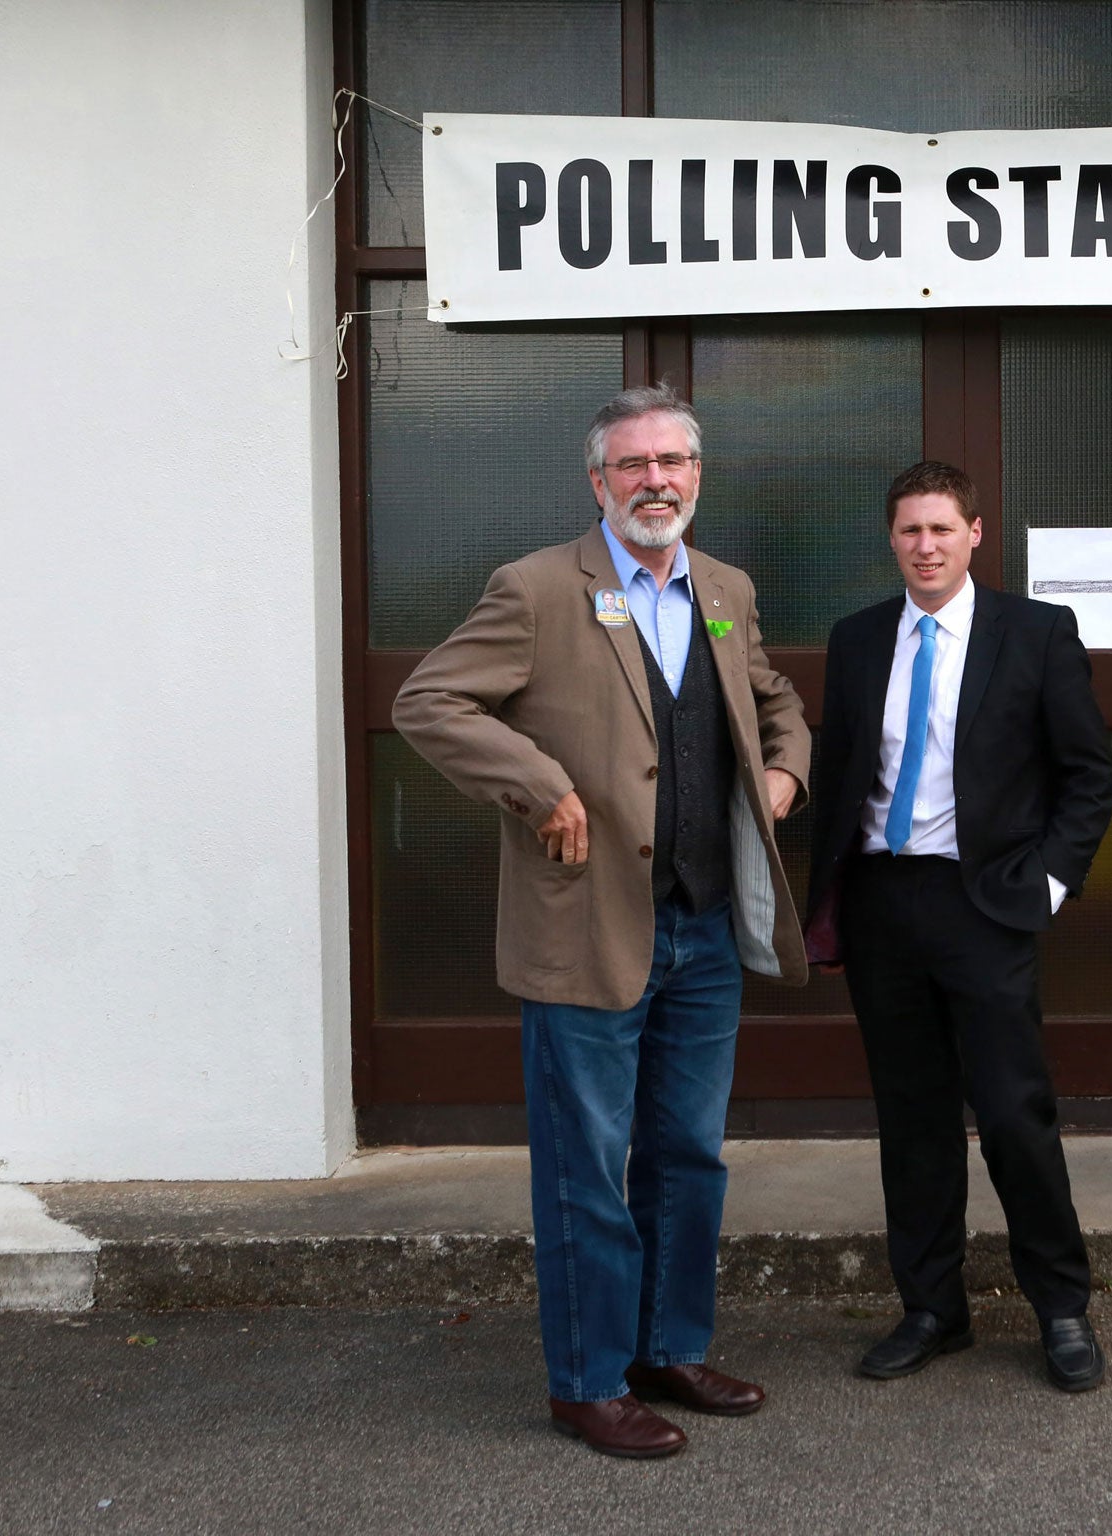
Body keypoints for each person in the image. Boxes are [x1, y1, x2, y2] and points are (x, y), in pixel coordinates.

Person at [394, 384, 809, 1458]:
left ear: (696, 476)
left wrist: (783, 772)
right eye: (632, 465)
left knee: (685, 1156)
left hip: (703, 925)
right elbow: (429, 700)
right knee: (587, 1165)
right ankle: (584, 1382)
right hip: (584, 927)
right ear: (597, 483)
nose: (654, 481)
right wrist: (540, 785)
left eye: (671, 462)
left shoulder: (722, 588)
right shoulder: (536, 588)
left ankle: (665, 1350)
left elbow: (772, 700)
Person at [807, 460, 1112, 1392]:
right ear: (892, 539)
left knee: (1016, 1116)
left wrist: (1049, 885)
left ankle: (1061, 1309)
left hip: (986, 905)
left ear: (975, 533)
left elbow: (1089, 775)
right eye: (910, 531)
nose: (926, 546)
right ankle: (934, 1310)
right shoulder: (858, 640)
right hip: (883, 906)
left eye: (942, 528)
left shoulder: (1036, 632)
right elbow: (841, 772)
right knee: (913, 1120)